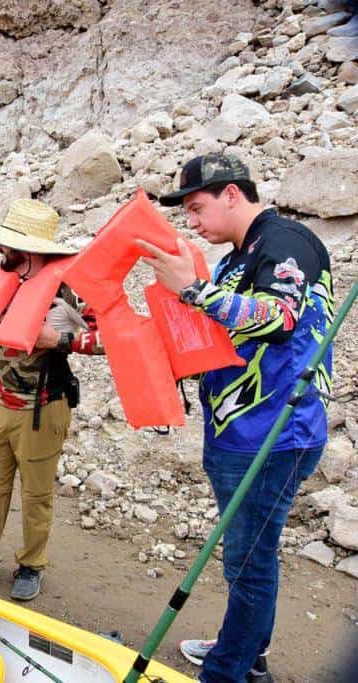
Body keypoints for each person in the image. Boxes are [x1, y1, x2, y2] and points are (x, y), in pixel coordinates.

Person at [138, 154, 333, 683]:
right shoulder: (235, 257)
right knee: (249, 556)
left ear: (231, 193)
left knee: (247, 563)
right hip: (238, 430)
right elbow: (213, 335)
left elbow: (279, 317)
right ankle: (248, 651)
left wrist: (193, 290)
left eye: (197, 208)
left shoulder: (285, 242)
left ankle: (229, 670)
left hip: (274, 434)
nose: (192, 223)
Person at [0, 199, 104, 601]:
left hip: (44, 408)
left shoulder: (70, 287)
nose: (0, 252)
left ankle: (32, 565)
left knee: (36, 496)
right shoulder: (11, 280)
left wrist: (60, 339)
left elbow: (109, 339)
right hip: (2, 402)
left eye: (7, 246)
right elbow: (6, 330)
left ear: (27, 249)